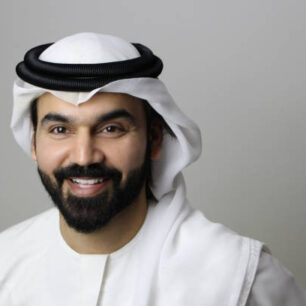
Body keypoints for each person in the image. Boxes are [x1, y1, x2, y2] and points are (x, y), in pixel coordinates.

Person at [1, 32, 305, 306]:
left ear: (155, 138)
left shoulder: (240, 275)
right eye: (59, 130)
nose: (84, 156)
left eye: (110, 128)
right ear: (33, 142)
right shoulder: (6, 261)